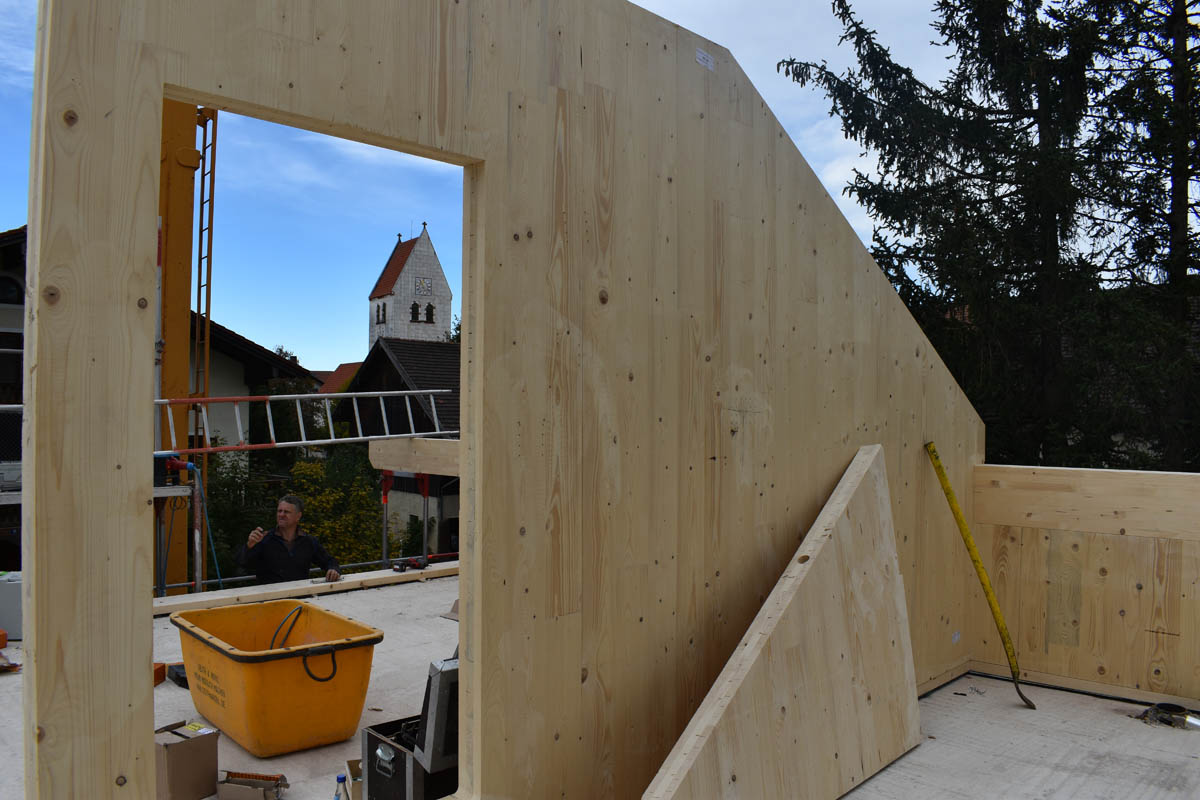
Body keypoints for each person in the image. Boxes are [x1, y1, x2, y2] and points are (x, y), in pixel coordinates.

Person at [236, 495, 341, 584]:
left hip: (299, 599)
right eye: (279, 511)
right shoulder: (263, 539)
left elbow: (329, 561)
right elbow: (242, 564)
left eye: (286, 512)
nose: (281, 515)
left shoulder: (308, 541)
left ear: (298, 516)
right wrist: (249, 546)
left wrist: (333, 570)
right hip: (270, 600)